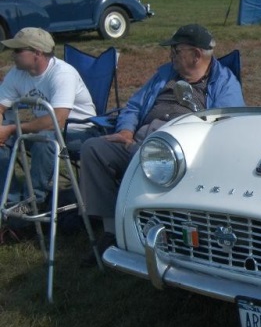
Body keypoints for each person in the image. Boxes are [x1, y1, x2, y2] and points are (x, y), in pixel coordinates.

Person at [79, 24, 245, 264]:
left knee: (147, 159)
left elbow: (227, 126)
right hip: (137, 141)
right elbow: (134, 106)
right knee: (93, 149)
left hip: (174, 153)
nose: (172, 57)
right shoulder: (165, 74)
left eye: (176, 51)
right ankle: (111, 231)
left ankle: (158, 230)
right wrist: (125, 131)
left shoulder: (224, 84)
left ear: (196, 55)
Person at [0, 27, 97, 214]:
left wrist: (11, 129)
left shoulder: (62, 74)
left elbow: (57, 120)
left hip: (81, 133)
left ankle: (33, 202)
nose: (12, 55)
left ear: (37, 53)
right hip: (46, 132)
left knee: (44, 140)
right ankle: (10, 200)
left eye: (18, 50)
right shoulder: (17, 73)